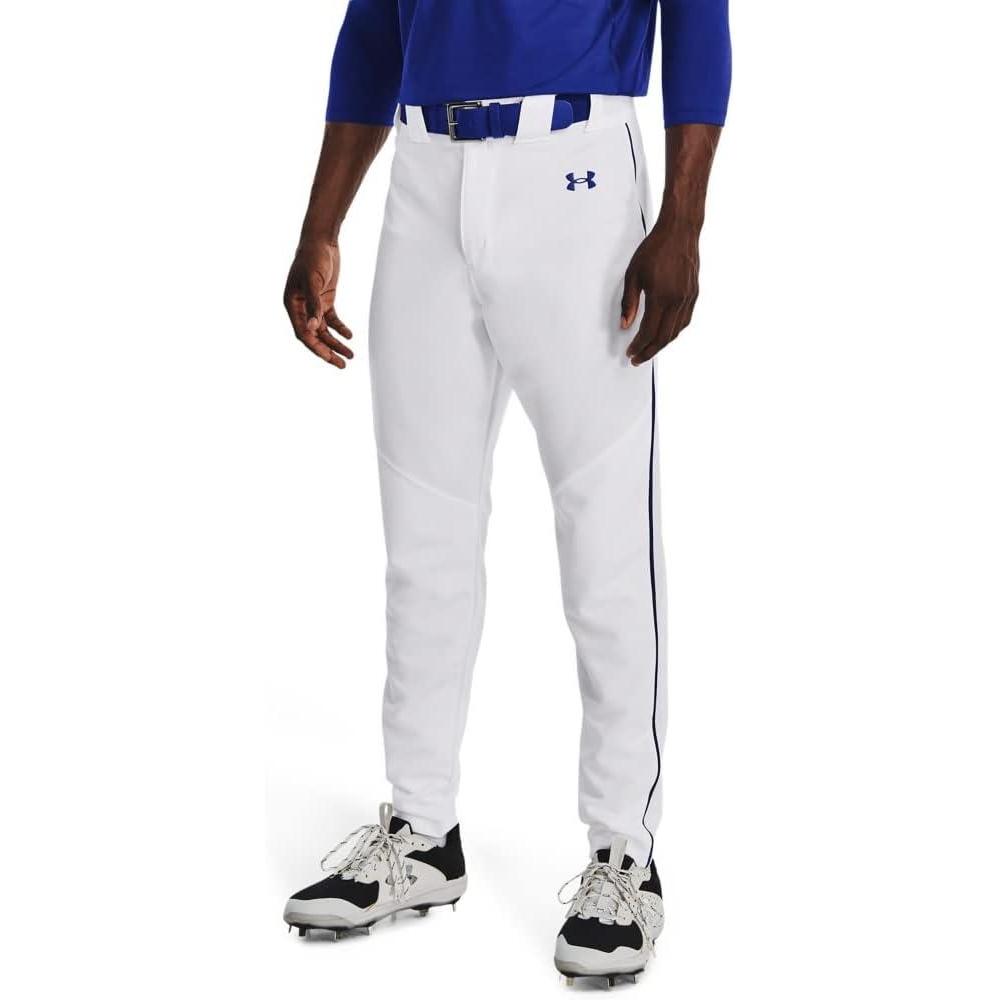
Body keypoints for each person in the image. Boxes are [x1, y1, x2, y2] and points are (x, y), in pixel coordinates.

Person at [281, 0, 731, 982]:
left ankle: (625, 855)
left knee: (605, 542)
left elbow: (697, 15)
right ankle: (422, 831)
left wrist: (683, 217)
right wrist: (321, 222)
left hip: (574, 172)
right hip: (424, 176)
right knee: (422, 535)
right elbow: (374, 27)